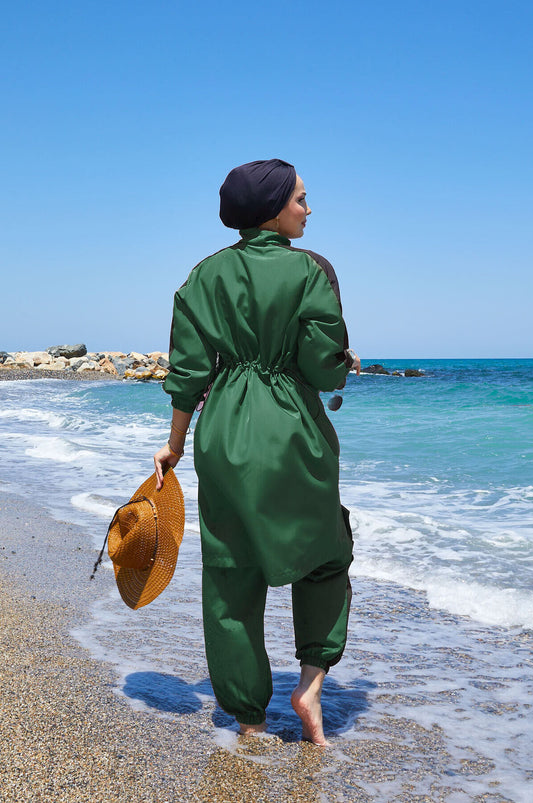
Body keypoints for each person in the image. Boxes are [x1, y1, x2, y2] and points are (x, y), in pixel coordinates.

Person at [154, 159, 360, 746]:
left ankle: (247, 719)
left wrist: (172, 447)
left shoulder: (201, 277)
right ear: (272, 208)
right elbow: (322, 370)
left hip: (220, 434)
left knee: (229, 573)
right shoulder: (311, 271)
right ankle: (310, 686)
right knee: (323, 554)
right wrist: (343, 358)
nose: (308, 208)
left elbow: (188, 374)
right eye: (300, 198)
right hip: (293, 432)